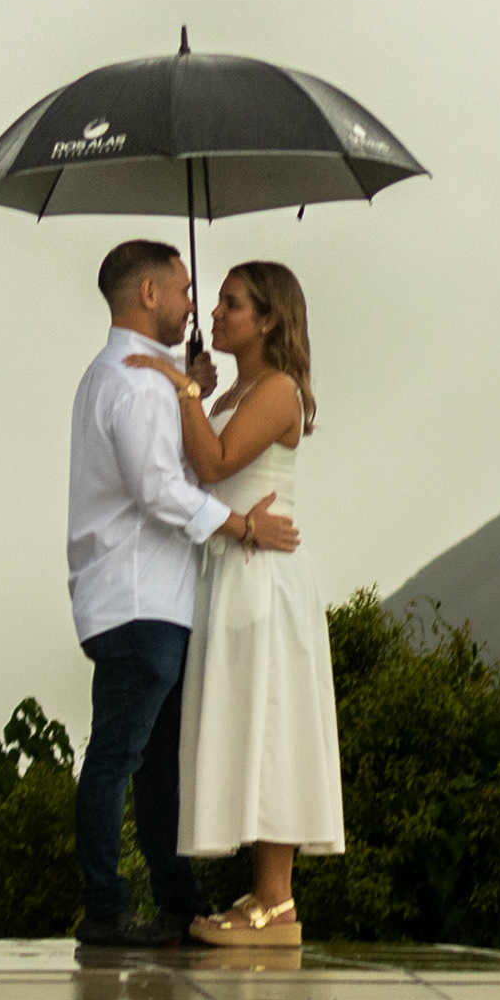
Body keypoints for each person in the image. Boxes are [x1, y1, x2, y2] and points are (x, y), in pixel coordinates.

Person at [62, 239, 295, 947]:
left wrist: (188, 386)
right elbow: (161, 489)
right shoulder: (133, 384)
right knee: (120, 757)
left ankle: (176, 899)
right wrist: (240, 528)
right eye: (187, 291)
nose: (196, 305)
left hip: (149, 598)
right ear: (150, 296)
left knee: (158, 762)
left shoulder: (141, 377)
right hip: (140, 599)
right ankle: (105, 905)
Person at [123, 260, 346, 946]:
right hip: (229, 570)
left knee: (271, 721)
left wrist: (183, 386)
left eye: (232, 304)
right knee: (245, 722)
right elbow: (194, 472)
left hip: (263, 577)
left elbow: (217, 463)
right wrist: (199, 393)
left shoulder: (277, 389)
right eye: (215, 302)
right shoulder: (235, 391)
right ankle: (263, 896)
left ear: (269, 319)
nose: (213, 314)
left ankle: (276, 903)